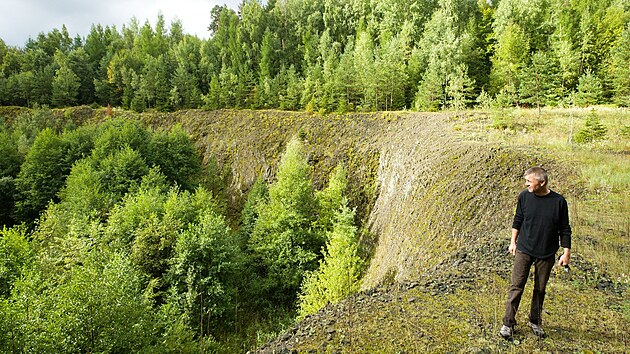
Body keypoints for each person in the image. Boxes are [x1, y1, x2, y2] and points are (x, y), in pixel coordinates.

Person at [500, 166, 572, 339]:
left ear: (542, 182)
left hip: (547, 252)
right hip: (524, 249)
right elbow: (518, 219)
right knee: (516, 286)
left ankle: (535, 321)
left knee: (540, 289)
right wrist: (513, 242)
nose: (526, 185)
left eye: (529, 181)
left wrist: (566, 253)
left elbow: (565, 229)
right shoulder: (524, 197)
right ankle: (508, 323)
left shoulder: (559, 202)